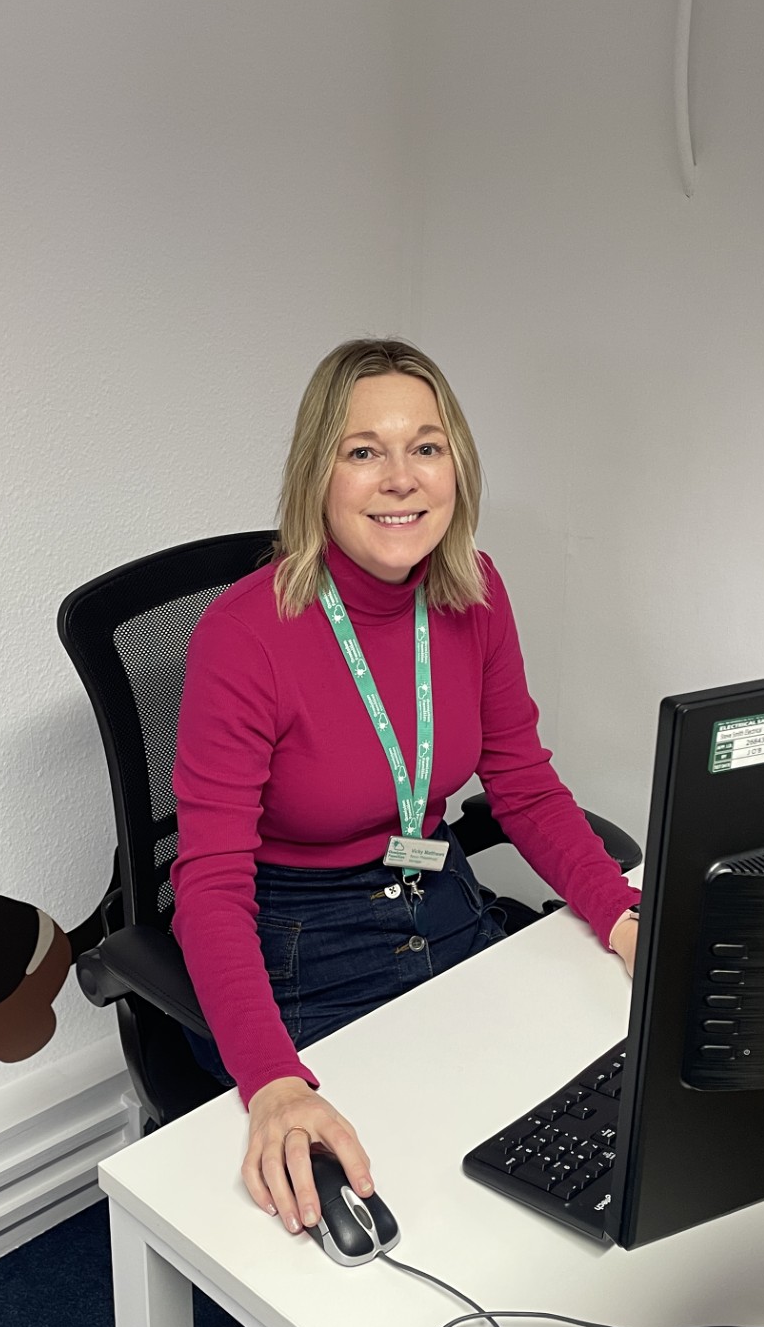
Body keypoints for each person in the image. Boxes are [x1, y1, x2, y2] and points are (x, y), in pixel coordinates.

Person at [170, 338, 641, 1237]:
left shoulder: (476, 592)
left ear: (456, 467)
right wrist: (271, 1081)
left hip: (439, 891)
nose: (400, 478)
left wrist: (619, 912)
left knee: (567, 1113)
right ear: (318, 474)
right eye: (363, 451)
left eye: (425, 447)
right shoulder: (244, 637)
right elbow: (211, 881)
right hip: (299, 939)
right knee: (411, 1181)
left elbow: (527, 788)